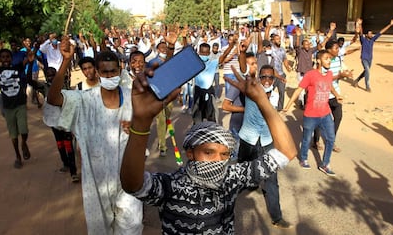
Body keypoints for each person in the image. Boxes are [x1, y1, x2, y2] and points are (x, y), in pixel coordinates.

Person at [120, 59, 297, 234]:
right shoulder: (172, 185)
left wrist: (262, 100)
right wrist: (141, 121)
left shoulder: (231, 179)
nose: (217, 161)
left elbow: (286, 152)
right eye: (208, 152)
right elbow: (133, 185)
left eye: (224, 155)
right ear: (190, 153)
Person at [43, 36, 143, 234]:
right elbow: (54, 99)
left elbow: (149, 119)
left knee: (131, 227)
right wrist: (65, 61)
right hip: (96, 181)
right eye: (104, 72)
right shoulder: (84, 100)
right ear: (98, 73)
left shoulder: (132, 97)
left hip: (127, 178)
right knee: (100, 229)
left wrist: (136, 127)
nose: (109, 75)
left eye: (113, 71)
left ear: (120, 70)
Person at [237, 44, 290, 228]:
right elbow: (244, 69)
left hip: (267, 140)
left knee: (272, 180)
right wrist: (242, 52)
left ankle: (276, 216)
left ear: (274, 78)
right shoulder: (253, 87)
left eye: (270, 76)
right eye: (264, 76)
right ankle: (227, 210)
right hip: (248, 138)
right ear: (259, 77)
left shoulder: (275, 95)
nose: (267, 79)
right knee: (241, 173)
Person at [284, 50, 341, 176]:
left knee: (331, 139)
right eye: (326, 58)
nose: (329, 61)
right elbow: (299, 90)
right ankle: (303, 158)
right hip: (311, 115)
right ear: (319, 61)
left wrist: (336, 95)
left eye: (330, 59)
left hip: (325, 114)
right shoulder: (310, 75)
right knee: (306, 139)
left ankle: (325, 164)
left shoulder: (329, 74)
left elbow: (330, 85)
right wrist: (288, 105)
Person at [0, 48, 31, 169]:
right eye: (3, 57)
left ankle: (24, 143)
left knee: (24, 130)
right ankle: (17, 156)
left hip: (20, 104)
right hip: (8, 107)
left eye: (8, 57)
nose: (5, 59)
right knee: (13, 134)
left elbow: (28, 59)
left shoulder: (17, 67)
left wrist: (32, 52)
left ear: (11, 58)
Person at [353, 18, 393, 92]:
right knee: (367, 71)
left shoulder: (373, 40)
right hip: (364, 58)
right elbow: (361, 32)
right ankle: (367, 86)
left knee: (366, 72)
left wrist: (390, 25)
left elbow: (381, 32)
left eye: (371, 33)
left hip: (370, 59)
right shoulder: (363, 40)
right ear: (366, 35)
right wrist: (360, 24)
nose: (371, 34)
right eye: (370, 33)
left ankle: (356, 80)